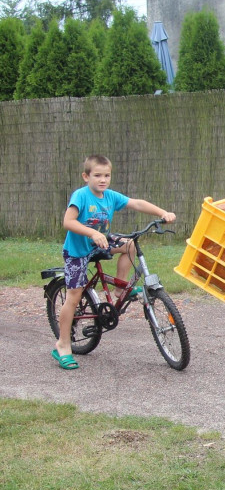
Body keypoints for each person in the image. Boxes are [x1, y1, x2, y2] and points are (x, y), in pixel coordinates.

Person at [52, 154, 176, 370]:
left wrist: (162, 212)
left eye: (107, 175)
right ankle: (63, 345)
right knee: (74, 296)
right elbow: (68, 222)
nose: (103, 180)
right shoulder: (80, 196)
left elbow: (135, 202)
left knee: (128, 245)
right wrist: (92, 233)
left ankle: (120, 289)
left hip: (101, 242)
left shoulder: (109, 196)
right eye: (97, 175)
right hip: (78, 251)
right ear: (86, 176)